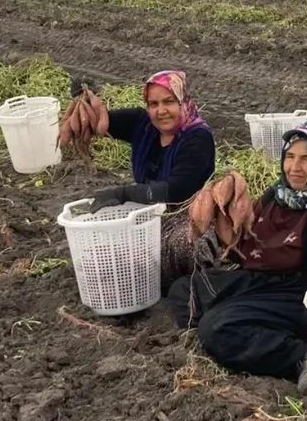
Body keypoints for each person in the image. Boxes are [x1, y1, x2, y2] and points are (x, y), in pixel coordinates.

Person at [167, 119, 307, 388]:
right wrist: (223, 218)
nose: (294, 167)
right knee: (184, 290)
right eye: (290, 157)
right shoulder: (277, 196)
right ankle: (235, 332)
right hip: (256, 280)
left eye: (306, 159)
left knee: (215, 327)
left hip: (294, 296)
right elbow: (247, 241)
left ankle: (302, 357)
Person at [87, 70, 216, 287]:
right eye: (153, 104)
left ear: (183, 101)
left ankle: (189, 287)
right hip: (148, 214)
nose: (161, 111)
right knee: (105, 247)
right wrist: (85, 99)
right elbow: (101, 121)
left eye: (169, 102)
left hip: (187, 218)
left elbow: (177, 191)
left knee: (188, 245)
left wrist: (123, 194)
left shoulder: (198, 137)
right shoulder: (143, 124)